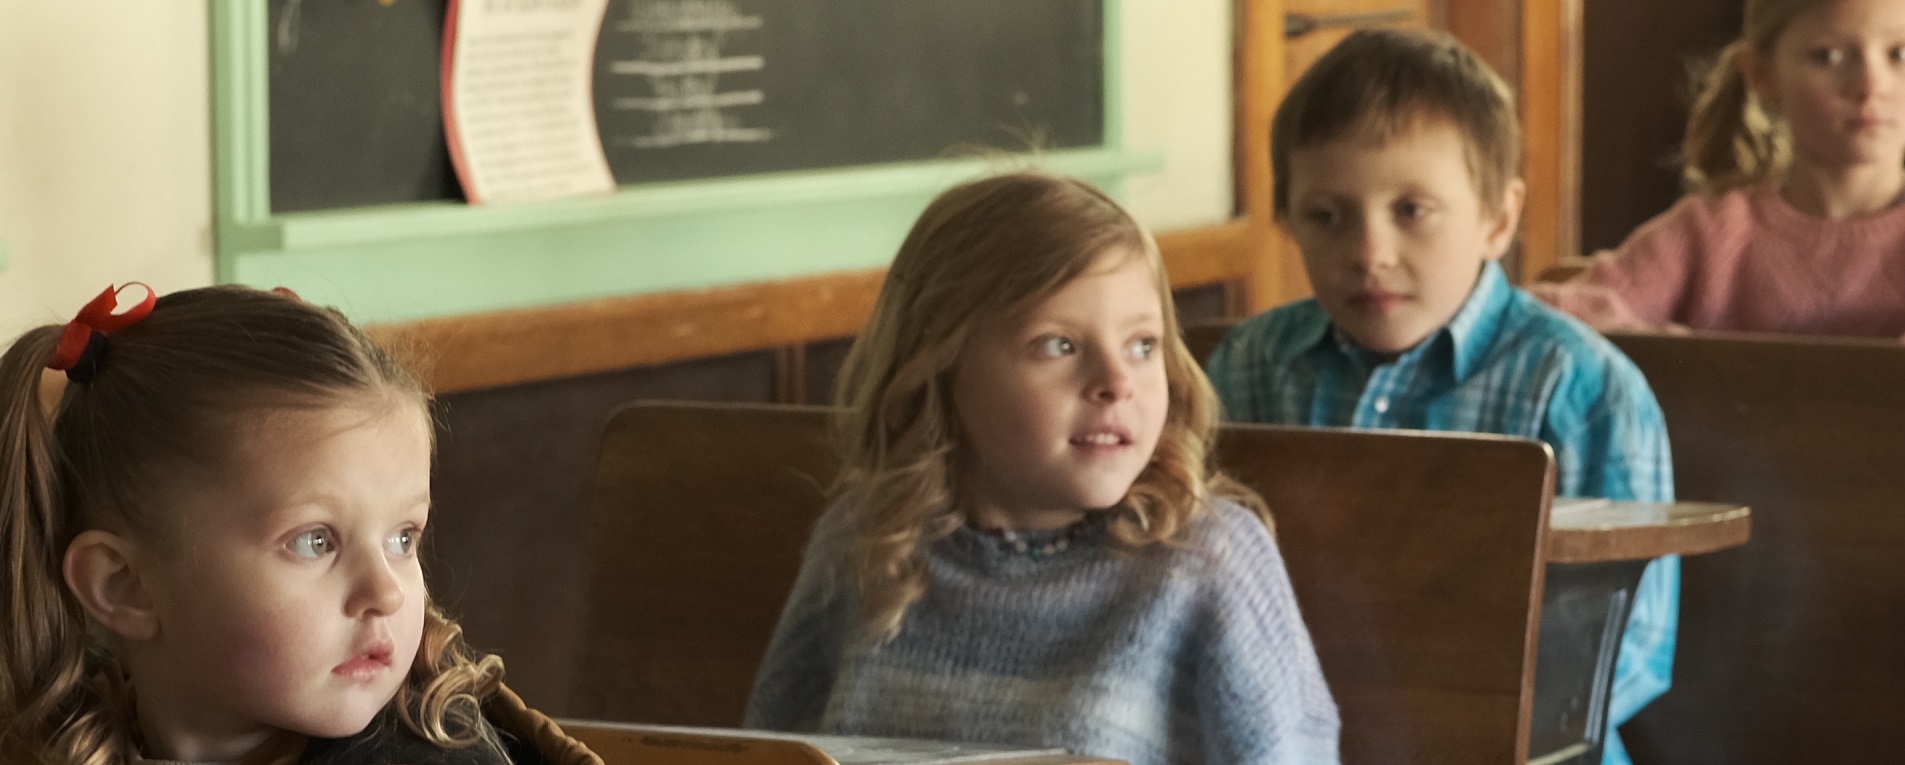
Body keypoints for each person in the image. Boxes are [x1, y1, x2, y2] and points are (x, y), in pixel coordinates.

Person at [744, 172, 1341, 765]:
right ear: (942, 369)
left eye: (1142, 345)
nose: (1116, 383)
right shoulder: (864, 542)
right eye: (1059, 345)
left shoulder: (1210, 562)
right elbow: (769, 752)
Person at [1204, 29, 1675, 765]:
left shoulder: (1583, 387)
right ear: (1286, 219)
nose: (1368, 251)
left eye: (1411, 210)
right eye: (1327, 215)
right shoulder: (1252, 366)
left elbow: (1633, 645)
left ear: (1497, 217)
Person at [0, 283, 596, 765]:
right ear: (123, 584)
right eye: (316, 542)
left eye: (402, 538)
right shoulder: (63, 733)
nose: (387, 591)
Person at [1533, 0, 1905, 338]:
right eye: (1829, 56)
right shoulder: (1710, 234)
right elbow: (1555, 311)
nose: (1871, 85)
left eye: (1900, 54)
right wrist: (1669, 352)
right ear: (1762, 76)